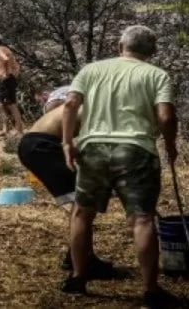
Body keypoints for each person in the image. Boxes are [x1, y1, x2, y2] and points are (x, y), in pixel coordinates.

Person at [59, 25, 180, 308]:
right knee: (142, 219)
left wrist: (67, 142)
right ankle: (150, 290)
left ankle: (78, 278)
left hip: (93, 148)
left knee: (82, 213)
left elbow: (70, 104)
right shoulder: (156, 75)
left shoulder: (91, 70)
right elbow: (166, 116)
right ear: (151, 51)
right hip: (136, 150)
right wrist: (171, 145)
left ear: (119, 46)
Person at [17, 83, 115, 278]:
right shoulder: (95, 107)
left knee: (81, 204)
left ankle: (79, 256)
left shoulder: (89, 103)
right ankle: (82, 261)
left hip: (36, 144)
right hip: (41, 145)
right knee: (82, 204)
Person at [0, 33, 24, 137]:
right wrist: (13, 74)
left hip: (5, 80)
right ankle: (5, 129)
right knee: (1, 104)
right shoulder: (6, 49)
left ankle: (19, 129)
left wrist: (7, 74)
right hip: (6, 80)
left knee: (11, 104)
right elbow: (16, 65)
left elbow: (5, 59)